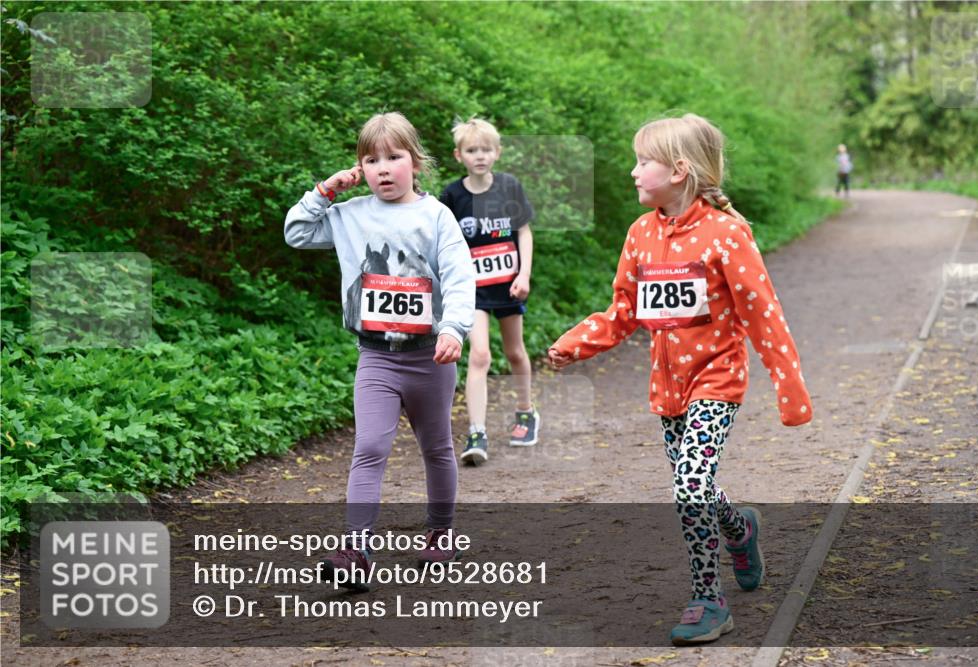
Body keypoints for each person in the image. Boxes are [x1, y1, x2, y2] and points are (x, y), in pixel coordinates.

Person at [547, 114, 813, 645]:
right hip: (668, 389)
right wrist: (574, 343)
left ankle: (707, 599)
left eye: (642, 162)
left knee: (688, 483)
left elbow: (764, 316)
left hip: (716, 380)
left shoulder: (727, 235)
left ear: (679, 170)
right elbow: (623, 311)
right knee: (699, 486)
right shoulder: (640, 234)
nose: (632, 172)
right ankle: (741, 528)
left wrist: (790, 389)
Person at [284, 112, 475, 588]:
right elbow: (296, 232)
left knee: (437, 448)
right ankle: (356, 549)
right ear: (360, 168)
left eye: (394, 157)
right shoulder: (349, 216)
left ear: (416, 162)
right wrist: (326, 190)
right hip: (377, 357)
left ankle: (439, 533)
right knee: (369, 447)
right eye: (372, 160)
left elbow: (458, 275)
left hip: (430, 355)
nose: (383, 168)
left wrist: (453, 328)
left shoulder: (435, 216)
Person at [440, 117, 538, 465]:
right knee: (480, 355)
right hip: (474, 290)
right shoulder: (452, 195)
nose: (479, 156)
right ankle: (477, 431)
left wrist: (524, 274)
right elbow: (445, 243)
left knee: (515, 352)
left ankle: (526, 412)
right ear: (459, 155)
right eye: (471, 150)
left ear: (497, 152)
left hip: (509, 285)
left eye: (485, 149)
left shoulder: (509, 187)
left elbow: (524, 232)